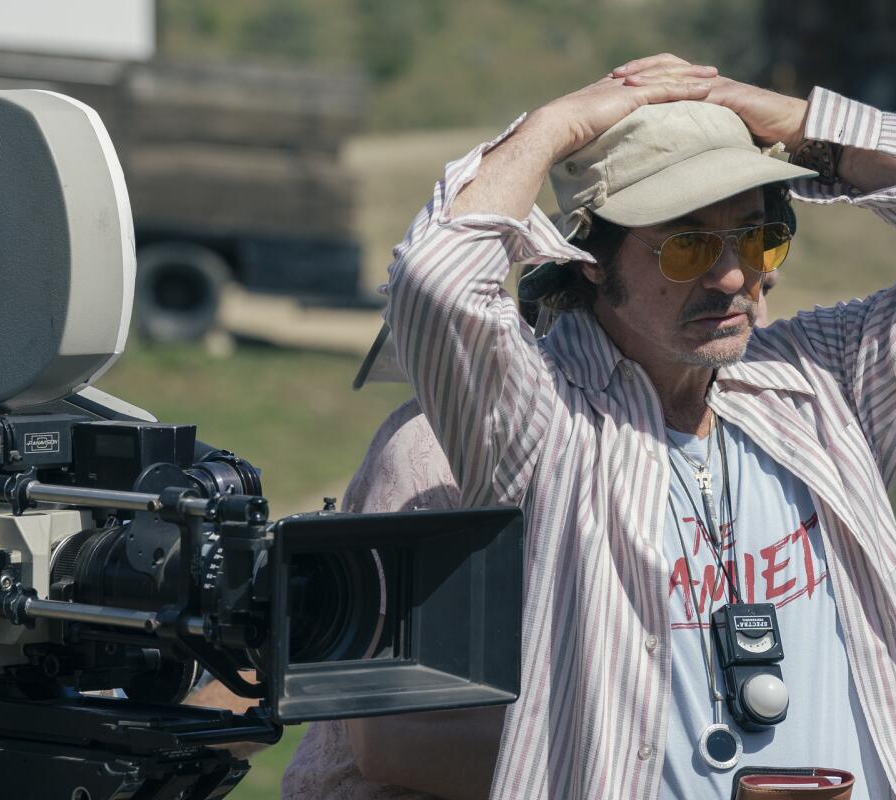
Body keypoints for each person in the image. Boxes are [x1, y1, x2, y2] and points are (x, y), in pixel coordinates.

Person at [347, 53, 896, 800]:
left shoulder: (827, 386)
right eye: (688, 244)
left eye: (757, 237)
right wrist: (554, 128)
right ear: (592, 260)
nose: (734, 277)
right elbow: (437, 282)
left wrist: (811, 131)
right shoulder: (545, 423)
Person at [282, 275, 780, 800]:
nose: (751, 311)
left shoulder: (695, 448)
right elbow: (396, 739)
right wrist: (661, 769)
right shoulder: (429, 454)